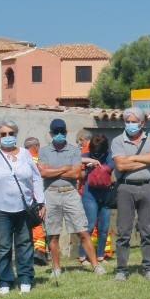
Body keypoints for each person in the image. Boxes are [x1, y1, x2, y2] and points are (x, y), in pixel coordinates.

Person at [0, 119, 45, 295]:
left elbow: (36, 178)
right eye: (3, 134)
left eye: (11, 134)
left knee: (24, 244)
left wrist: (41, 201)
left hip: (24, 207)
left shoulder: (25, 154)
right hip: (0, 208)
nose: (7, 137)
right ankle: (5, 280)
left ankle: (25, 278)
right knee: (3, 246)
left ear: (16, 135)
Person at [108, 106, 150, 282]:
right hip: (125, 188)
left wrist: (132, 158)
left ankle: (149, 267)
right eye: (128, 121)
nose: (130, 125)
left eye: (134, 122)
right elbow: (121, 166)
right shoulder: (118, 141)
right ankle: (122, 269)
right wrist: (147, 160)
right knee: (123, 231)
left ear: (142, 123)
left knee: (147, 230)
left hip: (148, 187)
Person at [36, 117, 97, 279]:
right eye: (56, 132)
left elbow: (76, 174)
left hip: (70, 192)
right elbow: (43, 173)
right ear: (51, 133)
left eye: (62, 131)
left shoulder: (74, 150)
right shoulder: (43, 151)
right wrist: (65, 168)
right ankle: (56, 268)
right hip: (50, 193)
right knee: (53, 234)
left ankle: (96, 266)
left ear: (66, 132)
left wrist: (53, 170)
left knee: (82, 231)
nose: (59, 134)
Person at [78, 132, 115, 266]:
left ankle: (100, 256)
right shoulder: (86, 156)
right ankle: (82, 256)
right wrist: (87, 164)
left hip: (105, 195)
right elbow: (74, 160)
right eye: (94, 151)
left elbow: (112, 165)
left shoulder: (110, 156)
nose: (97, 154)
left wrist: (102, 168)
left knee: (104, 228)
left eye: (100, 152)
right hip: (90, 195)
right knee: (89, 225)